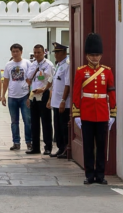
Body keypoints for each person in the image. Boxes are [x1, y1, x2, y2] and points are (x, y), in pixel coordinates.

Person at [72, 33, 116, 185]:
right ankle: (89, 174)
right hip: (87, 112)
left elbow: (111, 92)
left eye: (97, 55)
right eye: (92, 55)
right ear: (87, 55)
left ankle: (101, 174)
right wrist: (76, 113)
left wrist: (113, 113)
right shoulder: (80, 71)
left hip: (103, 113)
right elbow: (76, 93)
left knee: (102, 146)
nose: (95, 58)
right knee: (88, 146)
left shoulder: (107, 71)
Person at [1, 43, 32, 150]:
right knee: (14, 121)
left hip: (24, 96)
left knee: (27, 120)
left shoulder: (27, 63)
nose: (15, 53)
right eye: (13, 51)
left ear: (21, 52)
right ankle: (16, 142)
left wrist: (30, 95)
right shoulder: (8, 64)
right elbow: (5, 81)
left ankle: (29, 142)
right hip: (12, 96)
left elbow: (31, 80)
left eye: (17, 51)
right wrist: (3, 95)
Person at [27, 44, 55, 155]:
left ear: (44, 53)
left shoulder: (48, 65)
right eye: (35, 52)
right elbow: (29, 80)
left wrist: (47, 95)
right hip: (34, 94)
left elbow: (51, 81)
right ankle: (35, 147)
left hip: (44, 93)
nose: (37, 54)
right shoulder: (32, 64)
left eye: (39, 52)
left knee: (46, 122)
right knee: (34, 122)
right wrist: (28, 97)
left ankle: (48, 147)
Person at [47, 43, 72, 159]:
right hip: (55, 101)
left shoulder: (67, 65)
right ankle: (60, 148)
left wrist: (63, 100)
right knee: (57, 126)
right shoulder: (58, 65)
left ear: (63, 53)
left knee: (63, 127)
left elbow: (67, 84)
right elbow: (54, 83)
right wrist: (50, 99)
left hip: (63, 103)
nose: (55, 54)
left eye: (57, 52)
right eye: (55, 52)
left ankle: (66, 148)